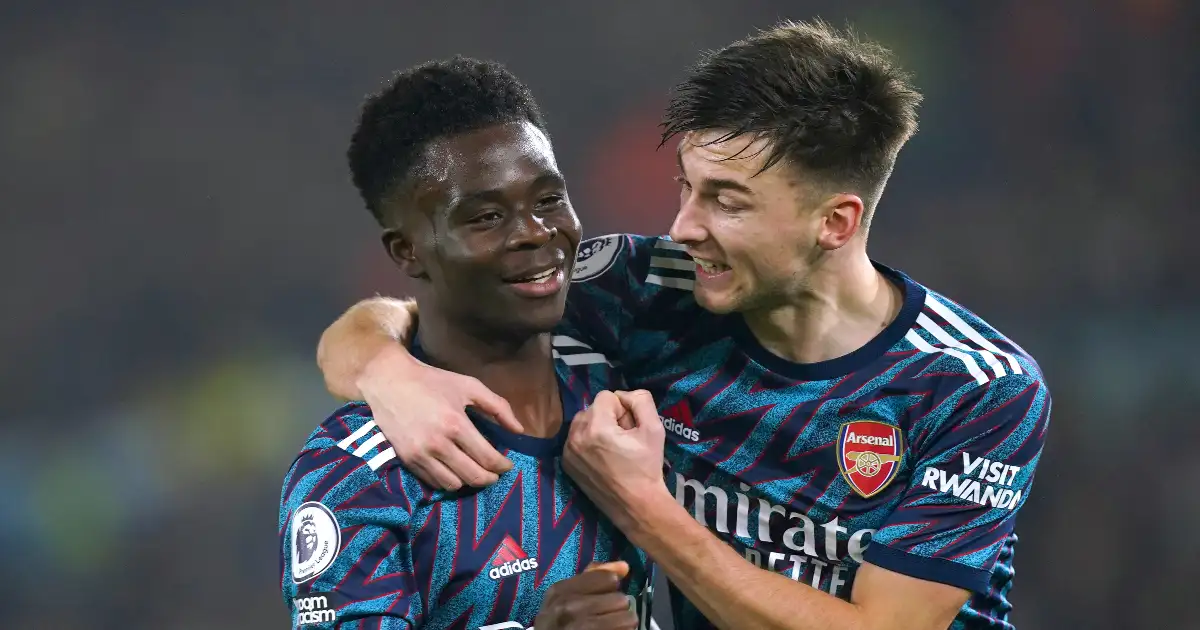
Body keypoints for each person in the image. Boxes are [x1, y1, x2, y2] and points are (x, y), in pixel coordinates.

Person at [318, 21, 1051, 630]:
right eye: (686, 188)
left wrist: (642, 504)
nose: (683, 227)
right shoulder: (645, 290)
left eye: (727, 202)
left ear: (835, 221)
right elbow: (407, 311)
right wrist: (391, 373)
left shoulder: (975, 387)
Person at [279, 57, 653, 630]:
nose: (535, 231)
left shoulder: (625, 379)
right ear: (407, 253)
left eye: (549, 199)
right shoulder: (358, 472)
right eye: (485, 217)